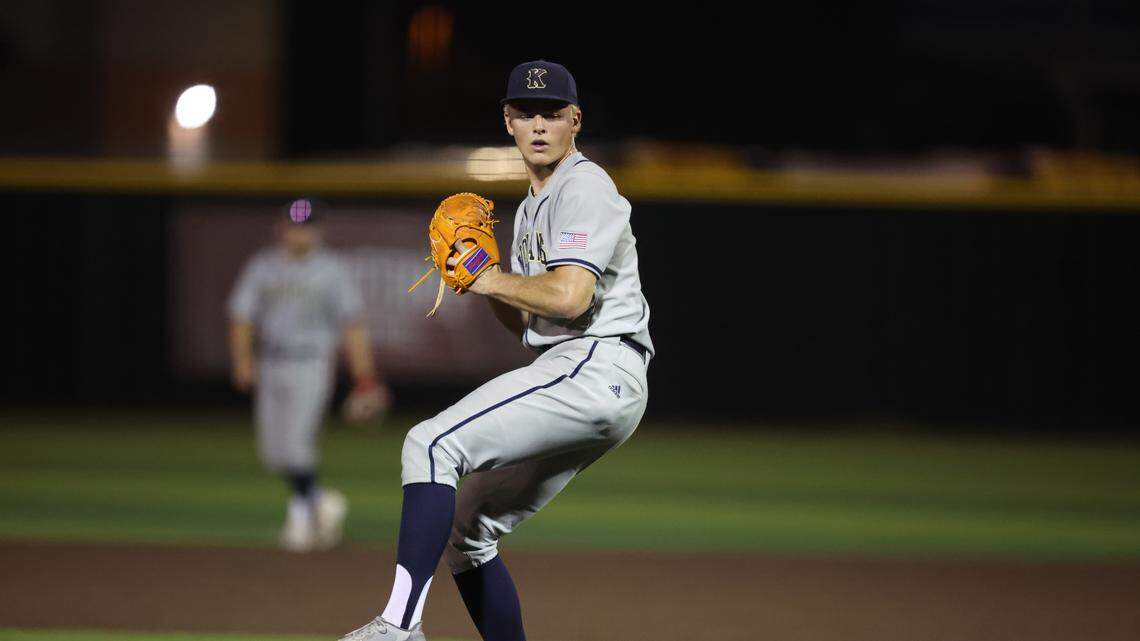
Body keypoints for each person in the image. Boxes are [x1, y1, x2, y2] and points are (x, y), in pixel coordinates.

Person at [340, 60, 652, 641]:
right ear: (508, 122)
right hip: (585, 371)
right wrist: (479, 280)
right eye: (526, 113)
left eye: (552, 113)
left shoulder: (583, 187)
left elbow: (569, 297)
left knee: (430, 444)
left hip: (596, 361)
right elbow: (528, 322)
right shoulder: (533, 206)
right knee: (468, 534)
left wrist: (488, 276)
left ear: (575, 121)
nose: (539, 125)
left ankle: (398, 627)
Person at [228, 198, 390, 552]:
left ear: (319, 231)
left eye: (307, 227)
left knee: (297, 445)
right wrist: (242, 360)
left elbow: (352, 326)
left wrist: (365, 378)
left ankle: (300, 519)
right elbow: (241, 316)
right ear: (281, 228)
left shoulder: (332, 270)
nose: (300, 233)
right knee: (272, 453)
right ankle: (322, 501)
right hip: (271, 362)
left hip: (311, 363)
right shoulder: (263, 265)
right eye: (294, 226)